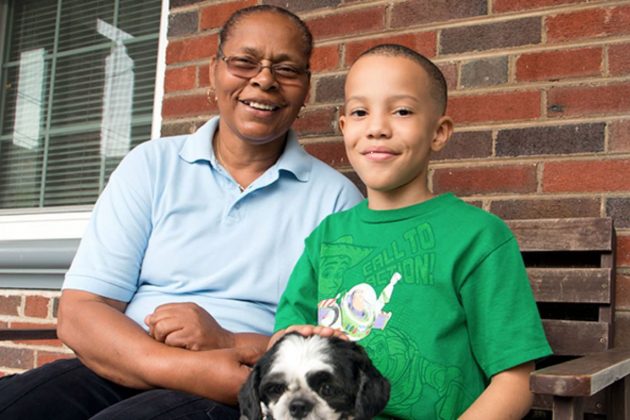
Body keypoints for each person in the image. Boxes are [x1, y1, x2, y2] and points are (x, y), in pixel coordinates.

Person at [0, 5, 362, 420]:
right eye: (245, 62)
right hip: (125, 361)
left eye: (286, 69)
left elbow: (336, 348)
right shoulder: (152, 165)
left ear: (305, 87)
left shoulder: (335, 201)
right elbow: (81, 313)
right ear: (214, 71)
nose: (264, 79)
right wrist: (182, 368)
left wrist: (228, 341)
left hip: (236, 384)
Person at [273, 44, 552, 419]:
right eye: (360, 112)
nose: (376, 128)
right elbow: (282, 344)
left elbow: (515, 381)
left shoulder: (478, 236)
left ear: (439, 132)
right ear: (344, 127)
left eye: (401, 111)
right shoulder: (327, 237)